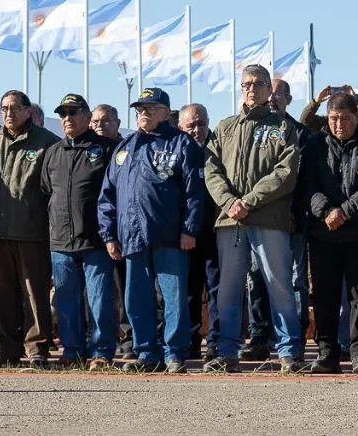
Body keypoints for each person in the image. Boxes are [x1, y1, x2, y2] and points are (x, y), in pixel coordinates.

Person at [205, 65, 304, 374]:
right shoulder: (225, 127)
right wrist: (229, 202)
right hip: (230, 221)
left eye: (258, 84)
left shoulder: (283, 126)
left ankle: (289, 352)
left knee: (279, 285)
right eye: (246, 84)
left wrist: (248, 201)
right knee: (229, 290)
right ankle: (228, 352)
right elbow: (211, 170)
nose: (251, 89)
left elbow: (286, 172)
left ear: (268, 90)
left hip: (269, 220)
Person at [99, 87, 206, 373]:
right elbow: (107, 195)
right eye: (139, 109)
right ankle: (147, 352)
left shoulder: (182, 144)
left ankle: (174, 353)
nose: (142, 113)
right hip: (132, 237)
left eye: (149, 108)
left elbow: (195, 192)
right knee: (137, 299)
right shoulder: (126, 147)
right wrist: (109, 234)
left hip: (170, 236)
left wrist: (189, 229)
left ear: (165, 113)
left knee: (173, 299)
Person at [304, 93, 358, 374]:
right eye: (333, 119)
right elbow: (309, 185)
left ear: (357, 117)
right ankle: (327, 352)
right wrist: (326, 211)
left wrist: (344, 212)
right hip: (322, 233)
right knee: (325, 295)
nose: (339, 124)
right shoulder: (315, 144)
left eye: (345, 119)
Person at [40, 94, 119, 369]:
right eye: (63, 114)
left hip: (95, 239)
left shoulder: (108, 149)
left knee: (99, 301)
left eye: (73, 113)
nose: (67, 118)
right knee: (66, 302)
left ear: (87, 117)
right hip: (60, 241)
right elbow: (46, 192)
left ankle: (102, 353)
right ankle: (72, 352)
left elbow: (117, 193)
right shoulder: (53, 152)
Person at [0, 90, 55, 369]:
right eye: (4, 108)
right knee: (0, 292)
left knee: (34, 293)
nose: (8, 113)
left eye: (14, 108)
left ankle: (37, 348)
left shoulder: (47, 142)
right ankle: (6, 347)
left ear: (27, 111)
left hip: (32, 231)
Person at [241, 78, 310, 362]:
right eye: (270, 93)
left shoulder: (300, 133)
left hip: (293, 220)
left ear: (287, 99)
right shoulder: (250, 131)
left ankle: (294, 339)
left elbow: (299, 178)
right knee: (256, 278)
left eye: (279, 94)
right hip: (259, 216)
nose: (272, 99)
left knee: (294, 282)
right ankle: (259, 337)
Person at [178, 103, 221, 361]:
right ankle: (191, 340)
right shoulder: (175, 150)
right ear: (181, 126)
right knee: (189, 289)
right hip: (186, 233)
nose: (197, 130)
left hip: (215, 231)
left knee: (216, 288)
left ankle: (215, 341)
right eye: (191, 125)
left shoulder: (219, 150)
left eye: (201, 124)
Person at [90, 103, 132, 357]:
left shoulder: (127, 149)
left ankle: (128, 340)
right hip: (92, 234)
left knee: (125, 287)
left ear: (117, 123)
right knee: (97, 293)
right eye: (95, 122)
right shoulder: (86, 148)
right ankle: (97, 340)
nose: (99, 126)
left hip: (122, 232)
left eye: (105, 121)